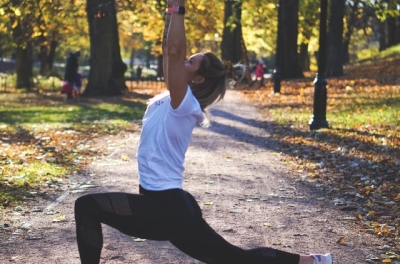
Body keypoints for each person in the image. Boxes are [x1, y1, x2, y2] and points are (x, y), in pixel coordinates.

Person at [74, 1, 332, 264]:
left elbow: (174, 52)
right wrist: (170, 12)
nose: (182, 61)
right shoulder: (171, 95)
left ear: (197, 79)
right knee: (234, 259)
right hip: (167, 206)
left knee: (87, 207)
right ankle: (315, 262)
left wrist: (179, 8)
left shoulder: (183, 103)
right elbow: (169, 51)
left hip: (165, 208)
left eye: (190, 61)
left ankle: (315, 261)